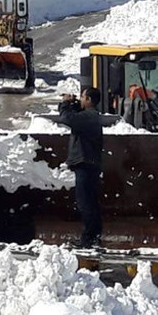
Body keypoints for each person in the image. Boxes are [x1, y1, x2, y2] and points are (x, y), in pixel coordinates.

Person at [58, 87, 103, 248]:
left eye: (83, 97)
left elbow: (67, 119)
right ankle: (92, 236)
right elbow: (74, 116)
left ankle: (89, 238)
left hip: (86, 164)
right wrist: (73, 104)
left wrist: (65, 104)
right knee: (89, 202)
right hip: (88, 163)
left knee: (86, 203)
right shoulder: (90, 116)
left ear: (89, 100)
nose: (81, 100)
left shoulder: (89, 117)